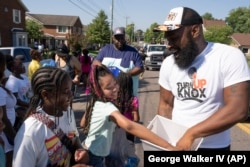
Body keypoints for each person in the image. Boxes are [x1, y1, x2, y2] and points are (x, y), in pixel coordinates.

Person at [154, 7, 250, 150]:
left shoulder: (228, 57)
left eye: (174, 38)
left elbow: (238, 110)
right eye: (167, 38)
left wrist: (191, 134)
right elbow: (165, 105)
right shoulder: (168, 63)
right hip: (177, 145)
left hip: (214, 148)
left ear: (195, 31)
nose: (169, 45)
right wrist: (165, 140)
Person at [80, 64, 176, 167]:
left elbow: (82, 124)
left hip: (89, 150)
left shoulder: (96, 102)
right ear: (98, 90)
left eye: (115, 83)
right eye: (109, 87)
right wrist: (167, 146)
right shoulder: (106, 106)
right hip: (94, 157)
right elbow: (130, 126)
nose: (115, 89)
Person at [13, 67, 89, 167]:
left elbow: (74, 137)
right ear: (45, 95)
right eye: (65, 92)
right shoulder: (31, 133)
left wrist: (81, 151)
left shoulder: (68, 113)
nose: (71, 96)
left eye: (71, 90)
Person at [92, 27, 144, 97]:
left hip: (128, 96)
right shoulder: (106, 49)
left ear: (124, 38)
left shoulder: (133, 51)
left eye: (122, 38)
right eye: (117, 38)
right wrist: (106, 70)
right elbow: (95, 62)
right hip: (108, 96)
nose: (120, 40)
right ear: (113, 38)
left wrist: (125, 75)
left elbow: (140, 68)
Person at [106, 71, 140, 166]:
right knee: (128, 155)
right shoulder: (133, 100)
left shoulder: (113, 99)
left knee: (113, 153)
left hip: (115, 130)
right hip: (129, 132)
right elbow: (136, 118)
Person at [0, 54, 17, 167]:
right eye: (3, 65)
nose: (5, 68)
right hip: (5, 135)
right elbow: (4, 119)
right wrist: (16, 139)